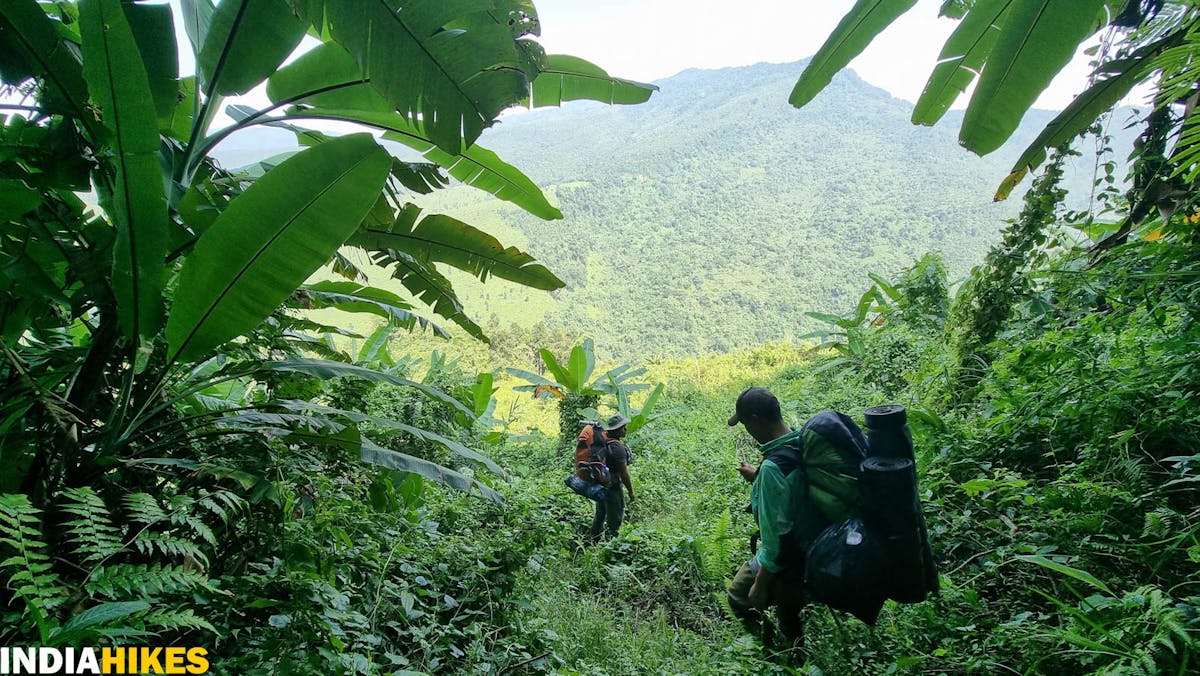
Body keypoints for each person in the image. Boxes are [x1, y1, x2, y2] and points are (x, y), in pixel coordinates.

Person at [726, 387, 811, 647]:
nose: (747, 431)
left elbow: (777, 538)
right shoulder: (799, 442)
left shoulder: (774, 466)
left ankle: (769, 654)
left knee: (738, 596)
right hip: (811, 544)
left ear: (755, 420)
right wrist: (758, 476)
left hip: (790, 557)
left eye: (745, 424)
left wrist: (760, 584)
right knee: (792, 620)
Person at [589, 414, 635, 539]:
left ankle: (593, 541)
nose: (625, 429)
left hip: (600, 484)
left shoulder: (603, 442)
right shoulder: (617, 448)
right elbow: (624, 473)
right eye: (623, 427)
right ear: (617, 430)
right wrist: (631, 491)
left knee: (600, 515)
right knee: (615, 518)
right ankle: (612, 545)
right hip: (613, 487)